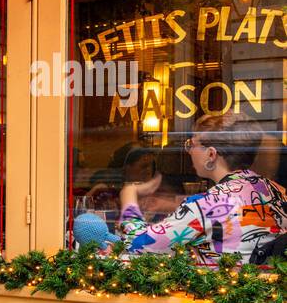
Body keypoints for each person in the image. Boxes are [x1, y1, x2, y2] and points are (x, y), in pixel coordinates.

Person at [119, 112, 287, 264]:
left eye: (192, 144)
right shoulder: (278, 191)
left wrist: (129, 195)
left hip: (217, 294)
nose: (189, 151)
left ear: (211, 155)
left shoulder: (206, 204)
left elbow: (137, 243)